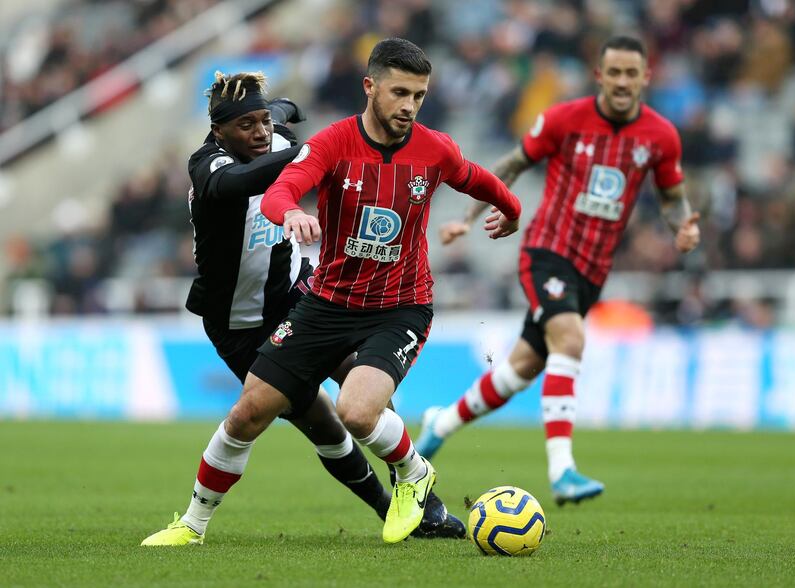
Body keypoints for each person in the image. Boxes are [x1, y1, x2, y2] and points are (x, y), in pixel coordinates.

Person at [142, 37, 521, 546]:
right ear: (219, 131)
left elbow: (474, 176)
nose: (260, 132)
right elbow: (254, 186)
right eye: (246, 126)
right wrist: (316, 158)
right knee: (282, 416)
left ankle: (421, 499)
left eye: (418, 96)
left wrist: (512, 210)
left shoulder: (421, 146)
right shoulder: (210, 166)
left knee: (361, 405)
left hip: (311, 297)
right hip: (238, 321)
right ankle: (193, 524)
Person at [415, 35, 701, 505]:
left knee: (520, 371)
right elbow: (512, 163)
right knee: (569, 338)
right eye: (615, 73)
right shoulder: (566, 119)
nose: (624, 82)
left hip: (592, 270)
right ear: (600, 76)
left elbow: (672, 197)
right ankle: (563, 470)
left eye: (632, 73)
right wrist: (467, 219)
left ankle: (440, 424)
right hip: (547, 251)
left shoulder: (660, 136)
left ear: (646, 77)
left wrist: (681, 228)